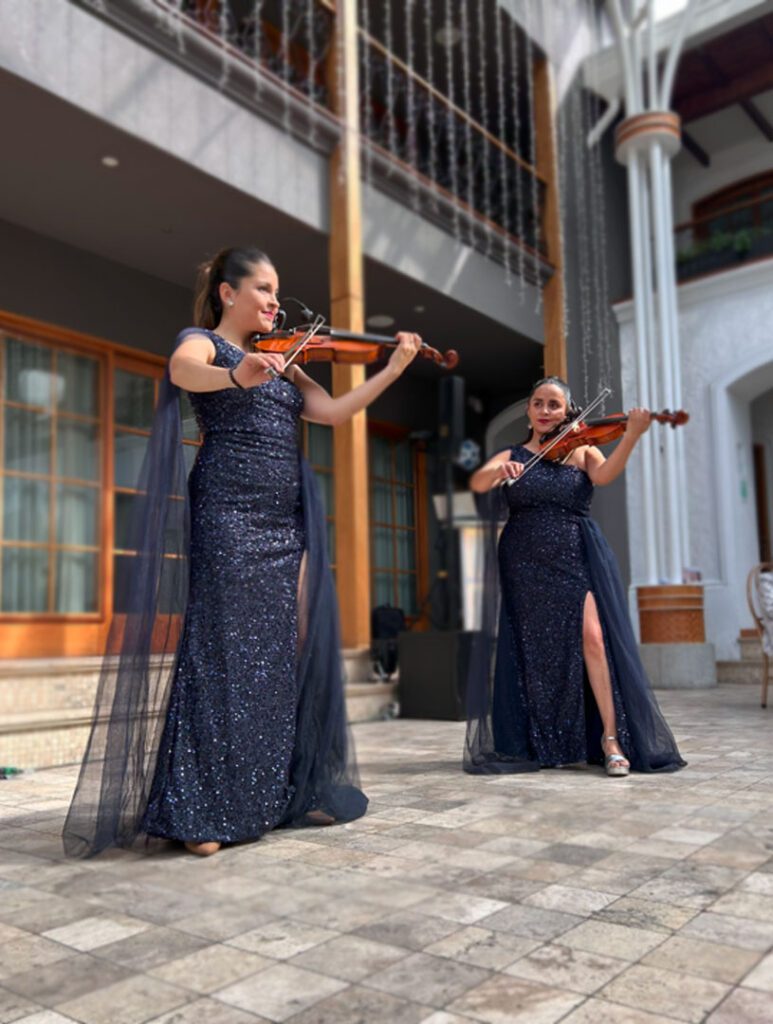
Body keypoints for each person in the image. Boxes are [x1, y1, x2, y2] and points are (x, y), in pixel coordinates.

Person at [63, 245, 422, 857]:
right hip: (229, 512)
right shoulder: (205, 342)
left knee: (279, 655)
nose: (275, 302)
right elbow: (182, 370)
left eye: (277, 292)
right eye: (263, 289)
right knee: (224, 653)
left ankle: (275, 791)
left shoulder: (285, 358)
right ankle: (200, 808)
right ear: (229, 293)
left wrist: (392, 370)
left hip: (285, 522)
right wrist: (233, 374)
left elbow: (332, 413)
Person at [465, 376, 685, 777]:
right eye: (538, 403)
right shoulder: (513, 454)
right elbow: (478, 480)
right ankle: (542, 739)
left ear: (568, 411)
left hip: (574, 554)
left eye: (554, 404)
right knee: (533, 649)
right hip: (523, 558)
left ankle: (611, 739)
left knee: (594, 639)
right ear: (529, 411)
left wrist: (631, 437)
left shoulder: (583, 450)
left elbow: (604, 477)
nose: (546, 411)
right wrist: (501, 472)